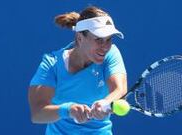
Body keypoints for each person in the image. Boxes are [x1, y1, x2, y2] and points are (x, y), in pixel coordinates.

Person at [28, 6, 127, 135]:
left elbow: (120, 89)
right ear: (80, 38)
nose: (105, 47)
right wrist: (68, 110)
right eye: (99, 39)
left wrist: (105, 102)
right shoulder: (52, 64)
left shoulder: (111, 54)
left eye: (109, 39)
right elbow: (37, 114)